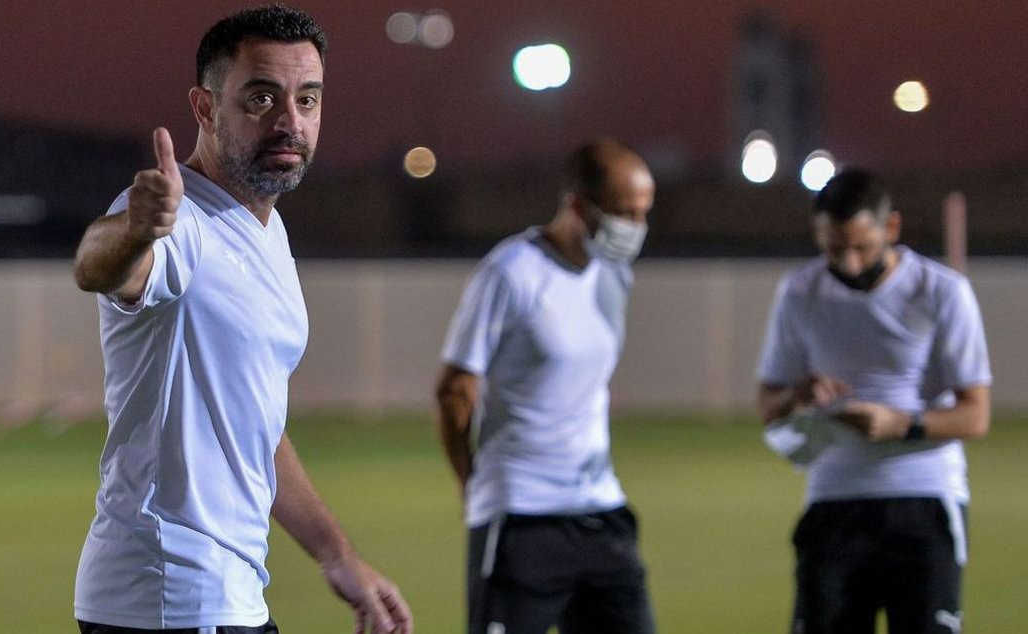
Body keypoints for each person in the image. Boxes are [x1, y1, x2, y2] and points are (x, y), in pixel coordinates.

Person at [70, 6, 412, 634]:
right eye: (262, 97)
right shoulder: (183, 222)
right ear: (204, 109)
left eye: (307, 100)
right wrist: (135, 231)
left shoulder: (267, 229)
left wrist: (338, 556)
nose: (290, 122)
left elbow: (254, 427)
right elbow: (101, 267)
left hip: (223, 596)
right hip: (169, 596)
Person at [435, 139, 657, 634]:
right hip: (521, 517)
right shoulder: (511, 273)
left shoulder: (613, 274)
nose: (637, 228)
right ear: (579, 205)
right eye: (625, 213)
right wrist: (473, 483)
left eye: (645, 213)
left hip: (601, 513)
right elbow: (454, 390)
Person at [756, 168, 992, 634]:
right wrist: (798, 394)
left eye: (860, 247)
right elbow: (769, 405)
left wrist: (902, 424)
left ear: (892, 229)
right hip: (834, 499)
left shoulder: (941, 291)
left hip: (924, 500)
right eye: (833, 247)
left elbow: (976, 414)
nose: (847, 263)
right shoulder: (799, 291)